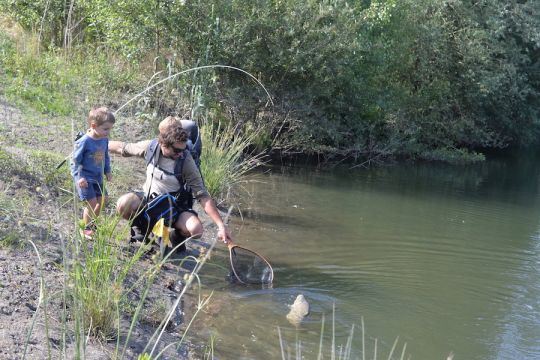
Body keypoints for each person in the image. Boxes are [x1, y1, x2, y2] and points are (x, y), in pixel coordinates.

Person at [108, 116, 233, 250]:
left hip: (175, 206)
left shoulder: (186, 160)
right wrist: (96, 140)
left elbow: (202, 196)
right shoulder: (150, 147)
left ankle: (176, 237)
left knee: (196, 230)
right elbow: (123, 147)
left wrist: (221, 225)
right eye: (177, 150)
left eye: (183, 149)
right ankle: (141, 227)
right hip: (149, 199)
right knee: (123, 204)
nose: (181, 153)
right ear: (163, 143)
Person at [71, 107, 115, 239]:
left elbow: (105, 156)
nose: (108, 132)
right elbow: (74, 161)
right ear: (93, 125)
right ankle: (84, 229)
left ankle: (91, 224)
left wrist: (107, 170)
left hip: (98, 177)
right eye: (105, 129)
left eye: (110, 129)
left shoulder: (104, 139)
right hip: (85, 178)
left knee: (103, 199)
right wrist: (79, 177)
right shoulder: (84, 141)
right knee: (91, 202)